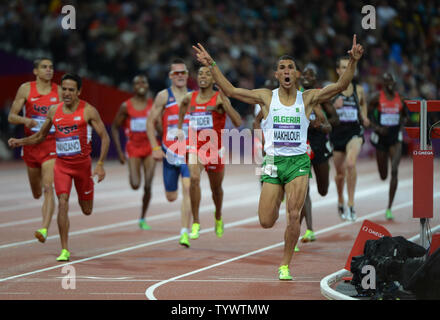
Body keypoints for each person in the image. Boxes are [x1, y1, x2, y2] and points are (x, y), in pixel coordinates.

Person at [192, 34, 364, 280]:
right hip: (272, 162)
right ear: (277, 74)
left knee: (294, 215)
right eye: (282, 67)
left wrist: (354, 62)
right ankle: (278, 198)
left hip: (298, 163)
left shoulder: (308, 98)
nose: (286, 71)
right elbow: (230, 90)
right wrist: (211, 64)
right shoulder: (265, 96)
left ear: (296, 75)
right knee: (265, 220)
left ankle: (285, 264)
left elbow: (338, 87)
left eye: (290, 68)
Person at [8, 73, 110, 261]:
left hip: (82, 168)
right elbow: (40, 136)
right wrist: (20, 142)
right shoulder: (54, 111)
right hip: (62, 166)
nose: (67, 93)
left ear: (79, 91)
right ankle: (64, 249)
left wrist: (101, 164)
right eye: (64, 89)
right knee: (62, 202)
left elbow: (105, 137)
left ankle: (86, 194)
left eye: (71, 90)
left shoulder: (88, 110)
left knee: (87, 210)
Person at [177, 66, 242, 241]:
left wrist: (225, 103)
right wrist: (179, 130)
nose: (203, 76)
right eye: (200, 73)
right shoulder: (189, 98)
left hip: (214, 149)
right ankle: (196, 222)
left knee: (216, 190)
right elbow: (181, 112)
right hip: (194, 147)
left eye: (207, 74)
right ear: (196, 78)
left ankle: (218, 216)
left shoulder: (218, 98)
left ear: (214, 80)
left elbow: (237, 121)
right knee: (194, 178)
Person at [8, 58, 62, 243]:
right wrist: (26, 121)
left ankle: (44, 229)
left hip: (51, 145)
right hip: (30, 146)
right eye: (44, 67)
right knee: (37, 192)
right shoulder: (26, 89)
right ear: (35, 71)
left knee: (49, 188)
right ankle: (44, 220)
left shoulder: (59, 91)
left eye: (51, 67)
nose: (49, 70)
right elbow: (12, 116)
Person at [146, 58, 193, 247]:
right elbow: (150, 122)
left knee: (188, 188)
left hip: (189, 151)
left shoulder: (195, 96)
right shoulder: (163, 97)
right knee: (171, 196)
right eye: (176, 73)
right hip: (169, 152)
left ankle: (184, 232)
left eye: (183, 72)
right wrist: (155, 148)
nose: (180, 76)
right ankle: (183, 226)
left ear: (188, 75)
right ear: (171, 76)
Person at [111, 75, 156, 230]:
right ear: (133, 87)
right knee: (136, 184)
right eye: (137, 83)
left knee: (148, 184)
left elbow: (161, 126)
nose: (141, 85)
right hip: (134, 148)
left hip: (150, 147)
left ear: (148, 85)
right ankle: (133, 173)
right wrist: (119, 151)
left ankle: (143, 217)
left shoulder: (153, 105)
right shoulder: (126, 106)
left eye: (144, 82)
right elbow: (115, 128)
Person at [299, 66, 337, 243]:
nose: (306, 77)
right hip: (302, 145)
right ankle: (308, 230)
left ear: (315, 79)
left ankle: (307, 229)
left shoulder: (321, 97)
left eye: (310, 75)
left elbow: (333, 120)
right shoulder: (296, 97)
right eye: (304, 75)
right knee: (303, 190)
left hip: (320, 144)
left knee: (323, 190)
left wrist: (322, 126)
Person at [329, 55, 370, 221]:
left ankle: (351, 204)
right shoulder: (331, 89)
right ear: (338, 71)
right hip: (337, 133)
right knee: (339, 174)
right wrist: (333, 106)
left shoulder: (358, 89)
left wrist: (365, 117)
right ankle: (340, 200)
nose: (347, 70)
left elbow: (363, 104)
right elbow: (322, 111)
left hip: (354, 131)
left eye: (349, 67)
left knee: (351, 163)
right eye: (343, 67)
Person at [368, 72, 408, 220]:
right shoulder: (376, 98)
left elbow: (406, 116)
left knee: (395, 170)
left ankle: (389, 208)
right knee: (383, 174)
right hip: (381, 138)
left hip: (395, 137)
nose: (389, 83)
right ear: (383, 84)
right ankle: (384, 174)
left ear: (394, 83)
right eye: (386, 81)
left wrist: (402, 123)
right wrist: (377, 127)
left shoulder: (400, 98)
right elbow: (368, 115)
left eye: (391, 81)